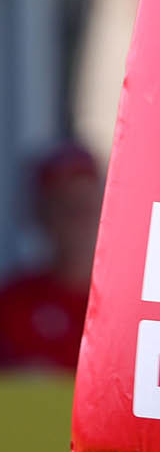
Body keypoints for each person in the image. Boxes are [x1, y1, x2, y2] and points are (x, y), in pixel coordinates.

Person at [0, 142, 102, 371]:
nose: (76, 219)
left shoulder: (130, 304)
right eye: (63, 205)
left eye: (85, 205)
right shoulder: (12, 304)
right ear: (41, 213)